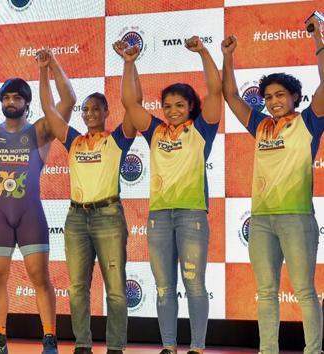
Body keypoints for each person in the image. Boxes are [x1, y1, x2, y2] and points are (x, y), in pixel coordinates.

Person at [0, 49, 76, 354]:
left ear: (27, 103)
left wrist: (51, 66)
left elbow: (69, 100)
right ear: (2, 103)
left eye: (17, 98)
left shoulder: (40, 131)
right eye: (6, 98)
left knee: (39, 277)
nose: (11, 102)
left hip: (30, 215)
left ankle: (49, 339)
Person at [222, 16, 324, 354]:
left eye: (280, 95)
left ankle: (314, 351)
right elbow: (230, 94)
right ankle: (268, 351)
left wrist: (317, 35)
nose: (273, 101)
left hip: (296, 218)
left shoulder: (309, 121)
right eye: (268, 96)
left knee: (305, 291)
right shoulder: (261, 126)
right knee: (265, 292)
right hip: (262, 221)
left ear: (295, 97)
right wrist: (229, 56)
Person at [118, 35, 222, 354]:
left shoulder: (202, 129)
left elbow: (216, 91)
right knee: (164, 288)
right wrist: (129, 62)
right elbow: (130, 105)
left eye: (179, 105)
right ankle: (168, 347)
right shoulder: (156, 131)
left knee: (194, 285)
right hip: (159, 217)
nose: (173, 110)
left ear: (191, 107)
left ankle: (197, 347)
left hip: (191, 215)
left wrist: (203, 51)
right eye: (167, 106)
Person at [37, 49, 137, 354]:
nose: (91, 113)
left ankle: (116, 347)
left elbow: (132, 103)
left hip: (108, 215)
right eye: (86, 109)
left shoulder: (118, 139)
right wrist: (46, 68)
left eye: (97, 109)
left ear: (107, 112)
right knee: (77, 288)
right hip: (76, 219)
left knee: (116, 290)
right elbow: (48, 108)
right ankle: (82, 344)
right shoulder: (74, 140)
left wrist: (128, 63)